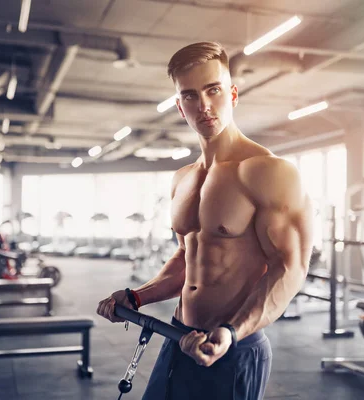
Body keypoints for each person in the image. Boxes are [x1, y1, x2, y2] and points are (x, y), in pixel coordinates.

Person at [97, 41, 314, 400]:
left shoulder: (268, 172)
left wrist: (231, 331)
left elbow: (290, 267)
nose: (205, 105)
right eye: (191, 95)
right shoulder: (182, 179)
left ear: (232, 93)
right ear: (180, 107)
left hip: (234, 346)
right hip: (179, 337)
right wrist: (137, 296)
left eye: (213, 90)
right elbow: (186, 259)